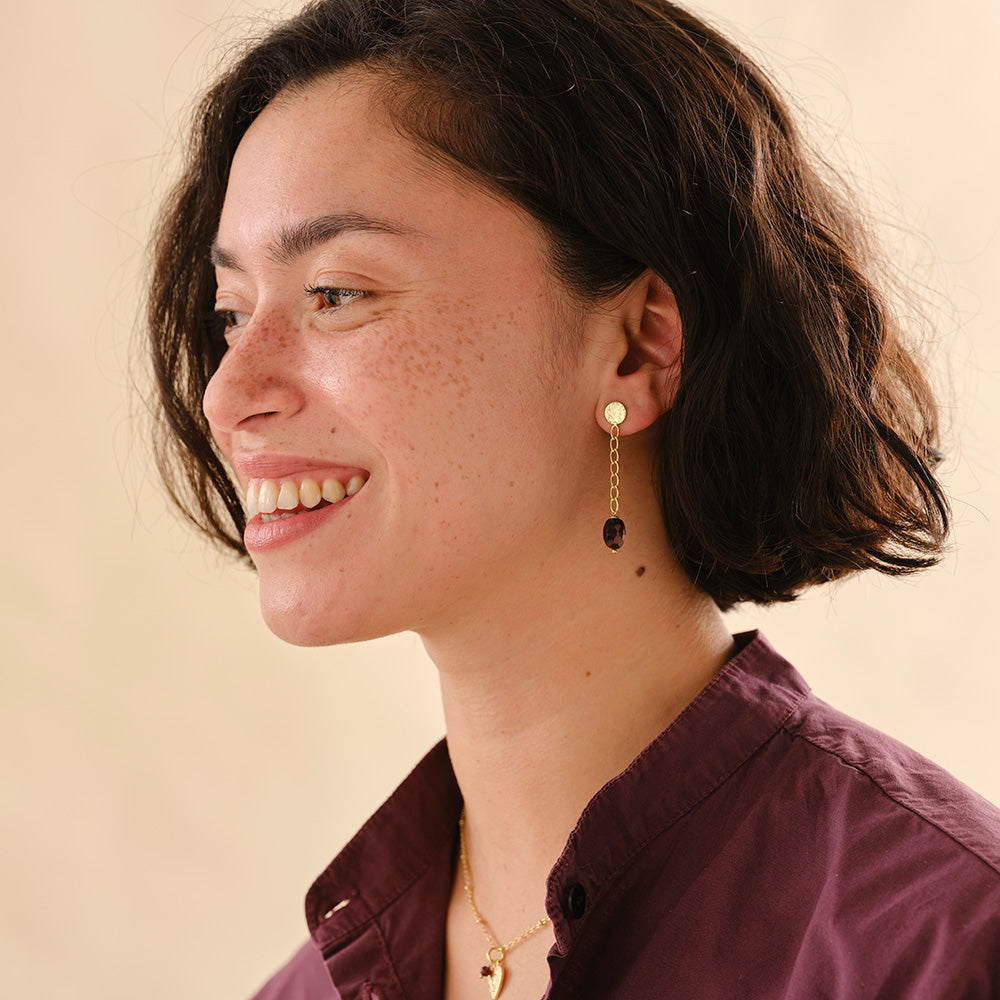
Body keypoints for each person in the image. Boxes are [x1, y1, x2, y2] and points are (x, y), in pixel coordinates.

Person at [147, 1, 1000, 997]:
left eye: (336, 293)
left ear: (637, 346)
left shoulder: (940, 951)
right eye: (231, 313)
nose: (228, 392)